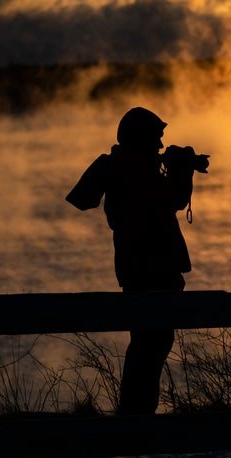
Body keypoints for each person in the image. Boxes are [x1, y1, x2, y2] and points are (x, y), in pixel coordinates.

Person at [66, 107, 209, 415]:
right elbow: (173, 200)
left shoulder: (127, 167)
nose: (160, 145)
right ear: (140, 137)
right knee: (150, 345)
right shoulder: (127, 168)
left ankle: (136, 417)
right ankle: (136, 418)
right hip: (151, 268)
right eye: (156, 138)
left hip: (141, 268)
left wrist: (171, 167)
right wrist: (179, 170)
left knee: (149, 344)